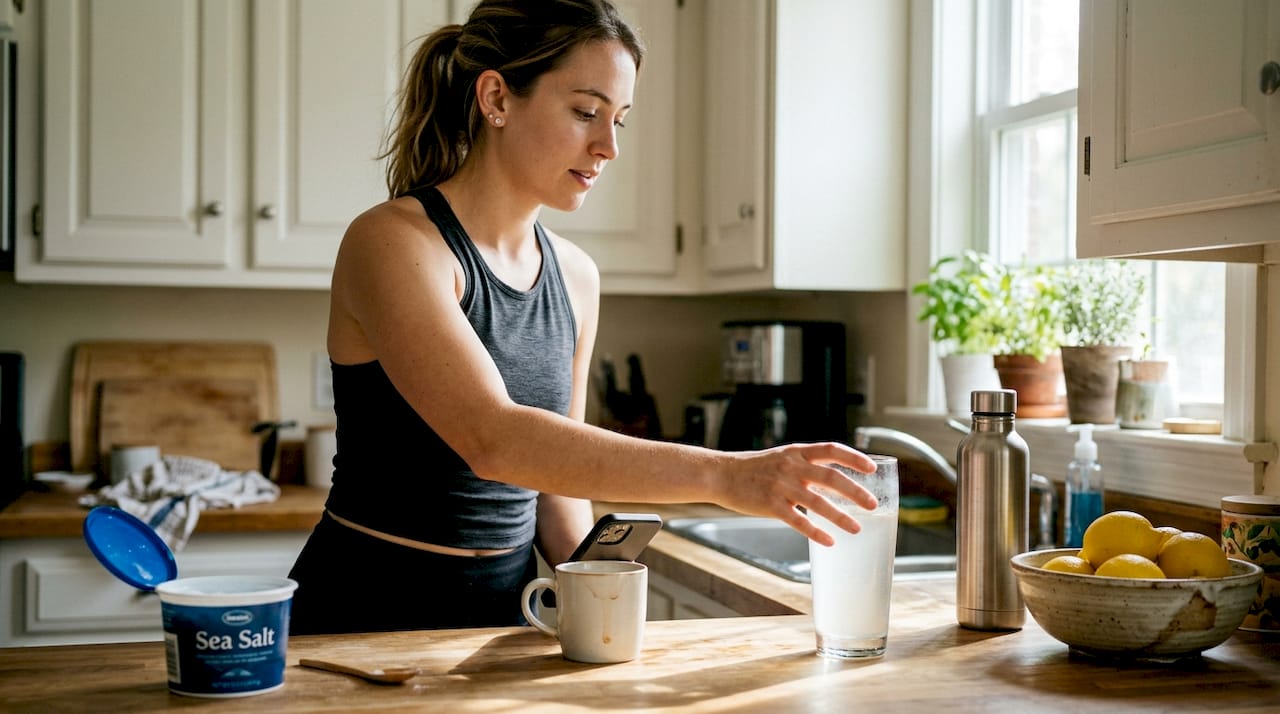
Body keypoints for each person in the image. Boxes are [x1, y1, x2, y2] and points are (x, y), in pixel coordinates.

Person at [287, 0, 878, 635]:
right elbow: (497, 440)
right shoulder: (394, 242)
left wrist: (602, 602)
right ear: (497, 99)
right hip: (362, 613)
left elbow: (556, 481)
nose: (609, 146)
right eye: (585, 112)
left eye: (620, 119)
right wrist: (726, 475)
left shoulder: (575, 276)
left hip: (503, 619)